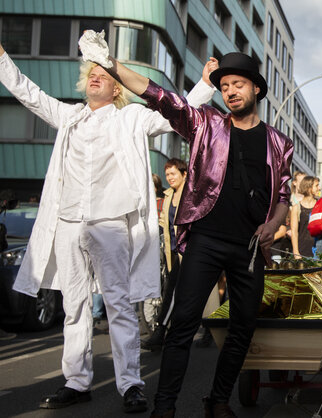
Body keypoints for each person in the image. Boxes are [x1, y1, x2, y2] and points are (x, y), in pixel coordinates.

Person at [0, 34, 215, 412]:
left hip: (111, 222)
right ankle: (76, 380)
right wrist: (2, 57)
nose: (95, 77)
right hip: (69, 220)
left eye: (103, 73)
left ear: (118, 86)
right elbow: (28, 93)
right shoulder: (69, 116)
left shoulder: (132, 117)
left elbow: (178, 111)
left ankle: (130, 383)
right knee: (74, 305)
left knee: (117, 302)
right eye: (91, 73)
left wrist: (205, 84)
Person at [89, 43, 294, 417]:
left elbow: (283, 195)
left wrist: (274, 223)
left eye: (238, 84)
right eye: (225, 85)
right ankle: (164, 407)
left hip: (249, 248)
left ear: (257, 90)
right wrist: (111, 64)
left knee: (243, 327)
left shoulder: (280, 142)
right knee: (182, 324)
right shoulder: (206, 123)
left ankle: (217, 401)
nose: (230, 91)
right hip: (205, 240)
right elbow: (158, 95)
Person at [141, 158, 188, 351]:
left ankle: (160, 331)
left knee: (173, 292)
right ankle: (175, 335)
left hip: (188, 252)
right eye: (167, 174)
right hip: (172, 252)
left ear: (184, 174)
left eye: (173, 174)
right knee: (177, 293)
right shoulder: (168, 195)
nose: (169, 178)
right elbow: (162, 223)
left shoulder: (191, 194)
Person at [291, 175, 318, 258]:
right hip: (302, 249)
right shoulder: (296, 207)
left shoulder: (320, 205)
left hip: (318, 250)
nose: (319, 188)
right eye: (316, 186)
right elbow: (294, 232)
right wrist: (296, 252)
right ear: (309, 188)